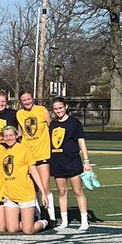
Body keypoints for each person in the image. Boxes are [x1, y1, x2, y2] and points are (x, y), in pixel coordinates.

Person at [48, 98, 91, 232]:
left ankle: (84, 220)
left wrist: (86, 161)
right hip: (57, 162)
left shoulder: (74, 123)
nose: (58, 111)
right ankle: (64, 221)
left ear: (65, 107)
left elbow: (81, 142)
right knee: (62, 192)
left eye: (60, 108)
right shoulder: (53, 124)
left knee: (78, 191)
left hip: (72, 161)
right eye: (55, 109)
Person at [0, 125, 49, 235]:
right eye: (6, 136)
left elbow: (34, 171)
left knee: (28, 231)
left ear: (17, 135)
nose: (9, 138)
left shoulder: (24, 149)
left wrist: (43, 193)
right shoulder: (3, 150)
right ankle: (29, 220)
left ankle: (45, 221)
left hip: (25, 194)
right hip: (9, 194)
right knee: (12, 229)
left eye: (11, 135)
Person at [17, 88, 55, 219]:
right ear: (20, 102)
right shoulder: (19, 114)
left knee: (45, 186)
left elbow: (52, 129)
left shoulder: (42, 110)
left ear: (32, 98)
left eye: (28, 99)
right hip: (28, 155)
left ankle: (51, 216)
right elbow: (21, 133)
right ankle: (38, 215)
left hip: (42, 153)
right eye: (24, 100)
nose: (27, 102)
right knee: (33, 188)